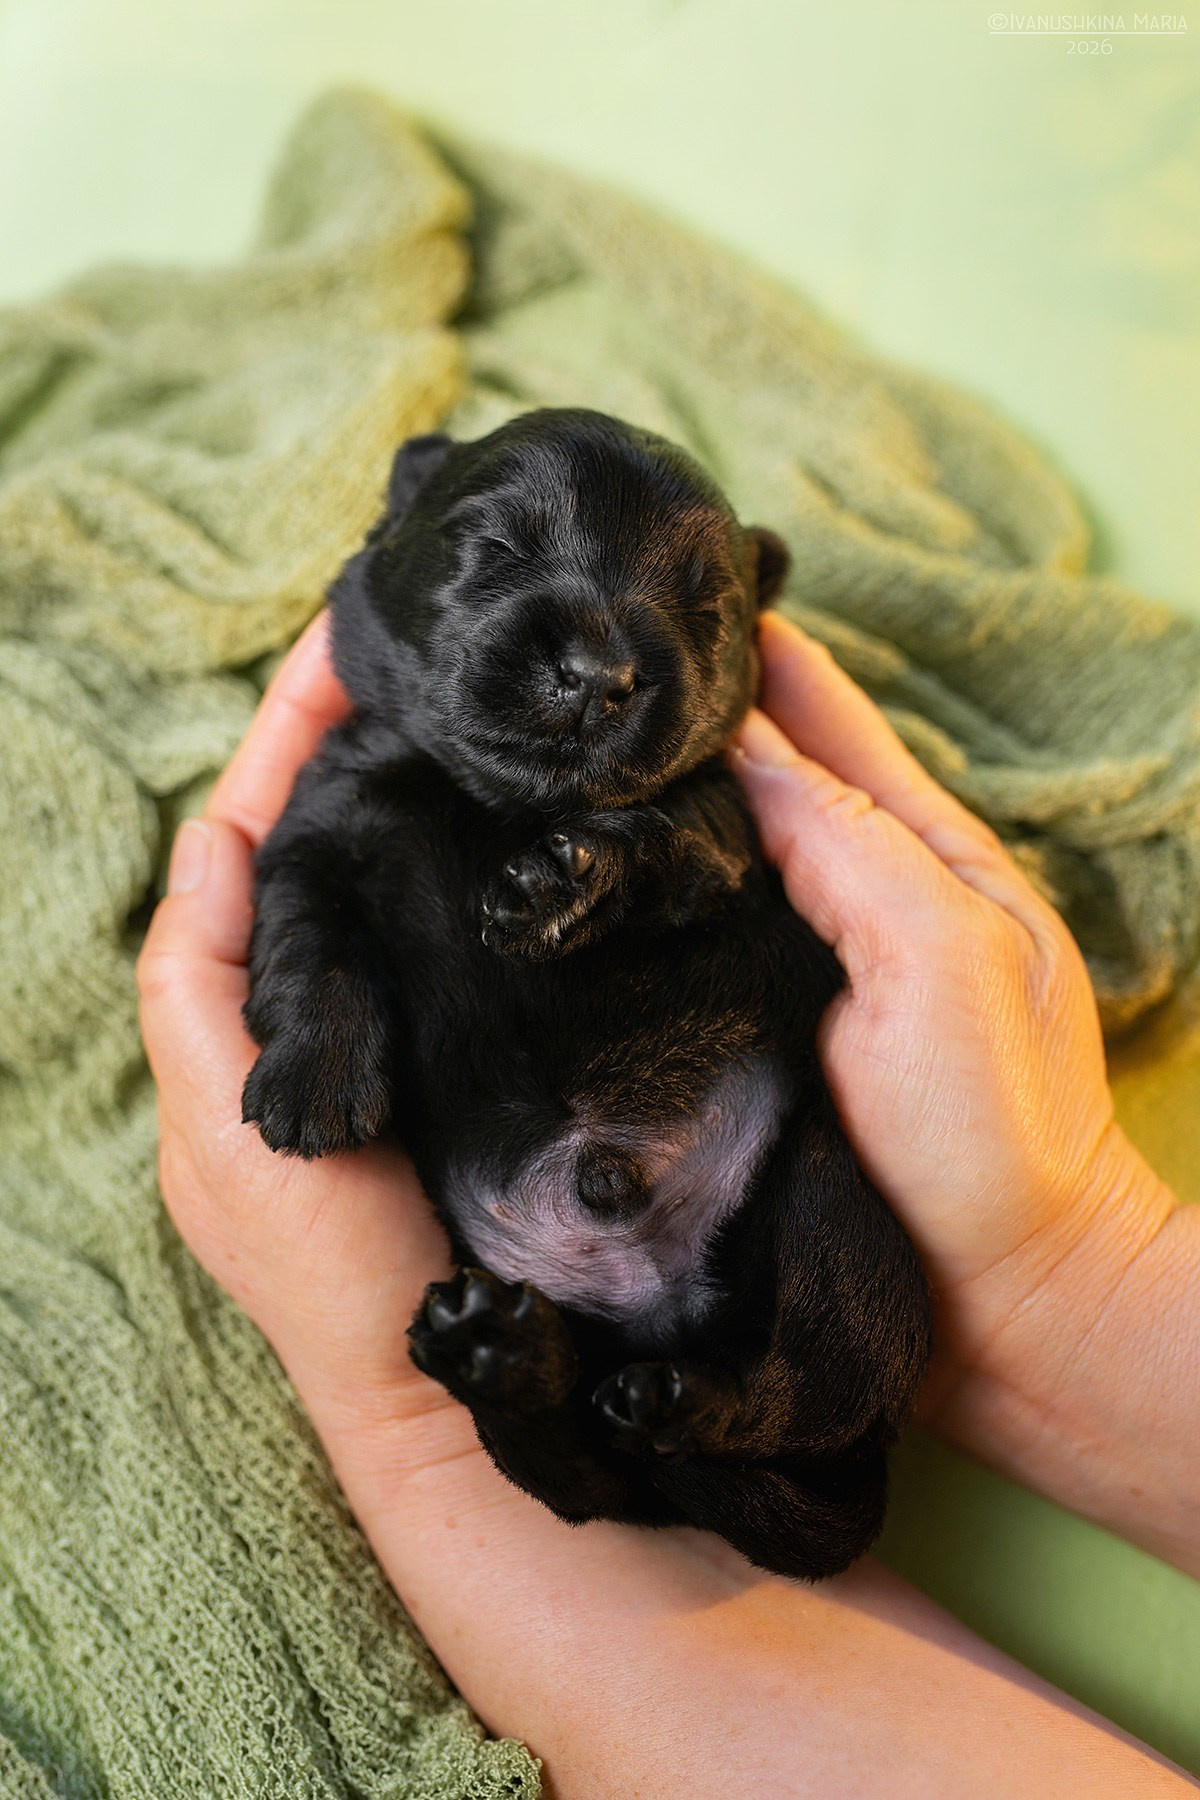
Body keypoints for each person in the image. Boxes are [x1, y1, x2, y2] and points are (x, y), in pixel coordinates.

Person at [137, 607, 1200, 1797]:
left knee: (789, 1379)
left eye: (684, 596)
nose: (598, 658)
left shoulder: (667, 768)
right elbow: (314, 909)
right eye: (504, 568)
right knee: (599, 1454)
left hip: (739, 1174)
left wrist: (400, 1426)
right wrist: (1063, 1266)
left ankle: (657, 1398)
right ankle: (547, 1384)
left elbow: (708, 857)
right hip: (559, 1260)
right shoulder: (354, 784)